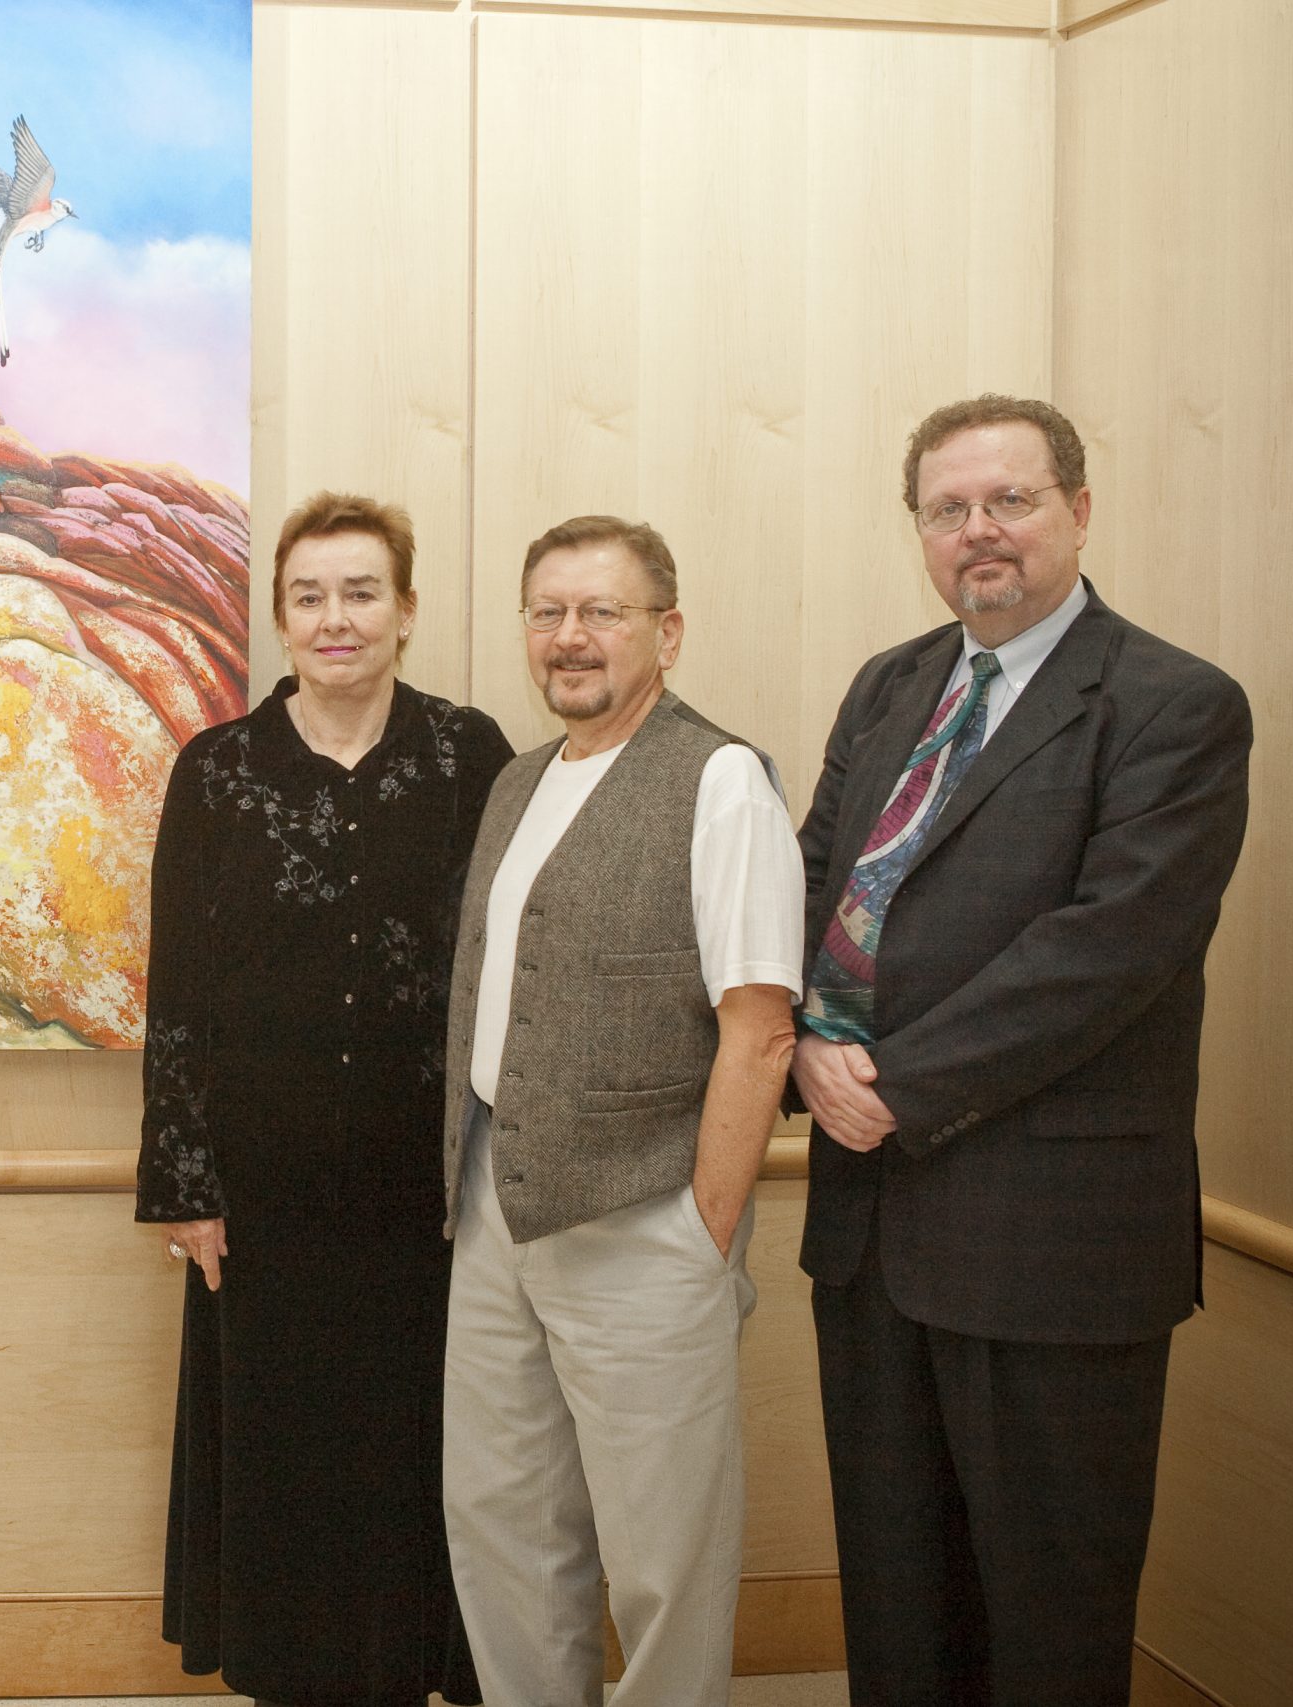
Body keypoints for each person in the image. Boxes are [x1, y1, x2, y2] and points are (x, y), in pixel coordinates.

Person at [791, 395, 1254, 1707]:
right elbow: (819, 882)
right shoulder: (892, 683)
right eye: (949, 509)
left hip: (1054, 1242)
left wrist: (890, 1088)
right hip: (872, 1229)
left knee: (1047, 1616)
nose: (979, 532)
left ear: (1079, 511)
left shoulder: (1173, 703)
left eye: (1010, 500)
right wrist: (801, 1052)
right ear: (922, 532)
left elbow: (1109, 951)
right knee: (899, 1600)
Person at [137, 490, 512, 1707]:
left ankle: (409, 1672)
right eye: (310, 596)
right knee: (288, 1458)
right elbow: (179, 988)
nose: (335, 618)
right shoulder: (218, 770)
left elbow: (513, 966)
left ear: (405, 611)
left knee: (415, 1446)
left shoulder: (470, 755)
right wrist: (187, 1186)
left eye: (361, 593)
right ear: (281, 617)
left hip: (430, 1188)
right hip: (265, 1193)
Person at [440, 515, 804, 1707]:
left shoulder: (719, 781)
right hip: (500, 1203)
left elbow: (759, 1028)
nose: (571, 637)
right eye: (547, 613)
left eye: (603, 612)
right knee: (502, 1522)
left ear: (668, 632)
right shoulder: (516, 782)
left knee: (661, 1557)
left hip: (647, 1216)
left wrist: (703, 1233)